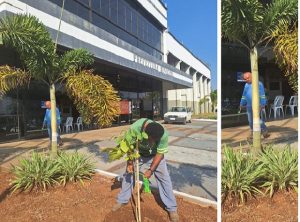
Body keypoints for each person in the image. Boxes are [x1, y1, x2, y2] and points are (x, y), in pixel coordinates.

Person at [112, 118, 179, 222]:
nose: (152, 143)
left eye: (155, 141)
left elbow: (160, 153)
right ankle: (122, 200)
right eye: (151, 140)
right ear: (145, 133)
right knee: (128, 175)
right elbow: (128, 147)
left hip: (155, 156)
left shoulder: (164, 134)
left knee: (164, 178)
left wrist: (151, 170)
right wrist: (130, 163)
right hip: (138, 154)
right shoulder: (134, 129)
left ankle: (172, 208)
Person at [239, 72, 270, 139]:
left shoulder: (259, 84)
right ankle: (252, 132)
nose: (247, 80)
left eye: (248, 78)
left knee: (257, 119)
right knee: (250, 120)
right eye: (245, 79)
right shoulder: (246, 85)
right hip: (249, 105)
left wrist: (262, 104)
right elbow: (244, 95)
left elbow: (262, 95)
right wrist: (241, 103)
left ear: (252, 76)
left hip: (257, 105)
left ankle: (264, 131)